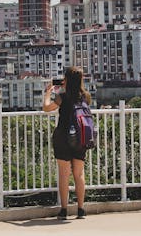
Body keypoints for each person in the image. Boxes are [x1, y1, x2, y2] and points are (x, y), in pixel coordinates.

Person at [43, 66, 91, 220]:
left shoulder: (62, 96)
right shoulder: (85, 97)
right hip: (80, 138)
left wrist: (49, 92)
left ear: (67, 80)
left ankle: (64, 210)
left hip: (63, 137)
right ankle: (81, 210)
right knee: (79, 174)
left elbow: (46, 108)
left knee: (64, 175)